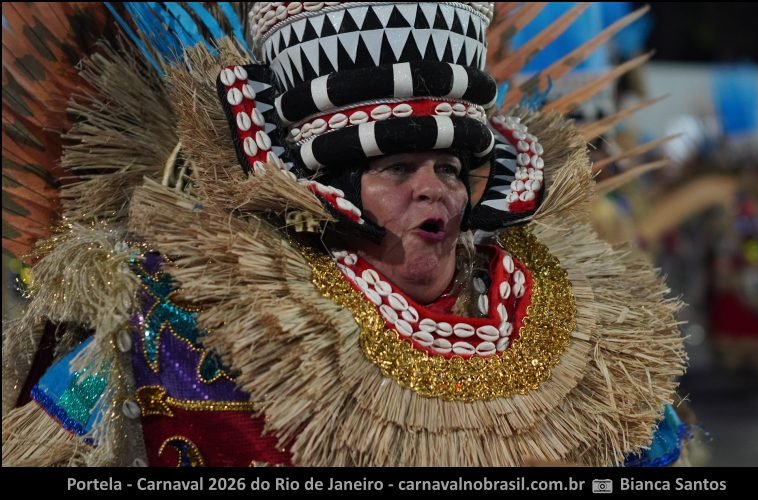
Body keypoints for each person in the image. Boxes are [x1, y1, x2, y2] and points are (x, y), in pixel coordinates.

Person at [2, 2, 687, 467]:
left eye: (449, 167)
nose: (433, 189)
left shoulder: (575, 327)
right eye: (397, 168)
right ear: (328, 190)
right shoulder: (179, 324)